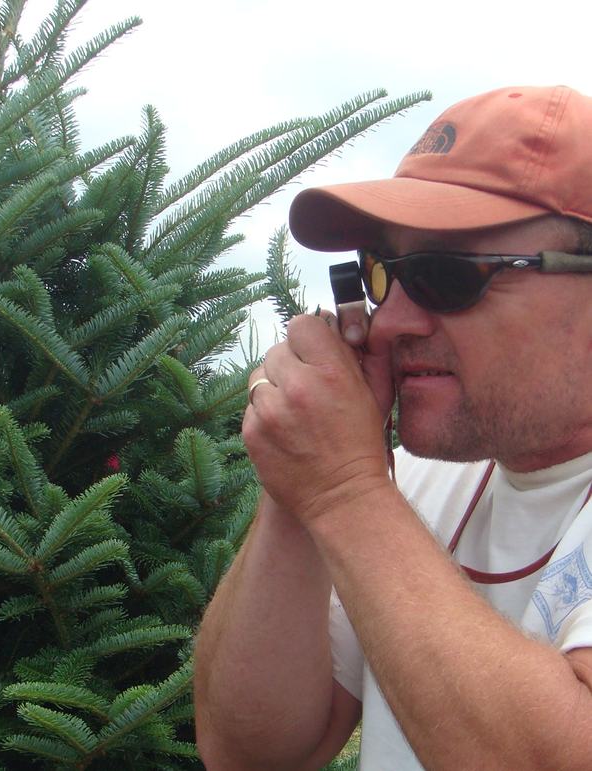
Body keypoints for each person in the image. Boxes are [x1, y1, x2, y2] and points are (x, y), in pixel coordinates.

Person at [193, 84, 592, 770]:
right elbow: (249, 749)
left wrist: (345, 490)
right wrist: (299, 486)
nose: (393, 320)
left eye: (445, 275)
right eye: (384, 272)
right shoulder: (421, 478)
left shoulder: (368, 497)